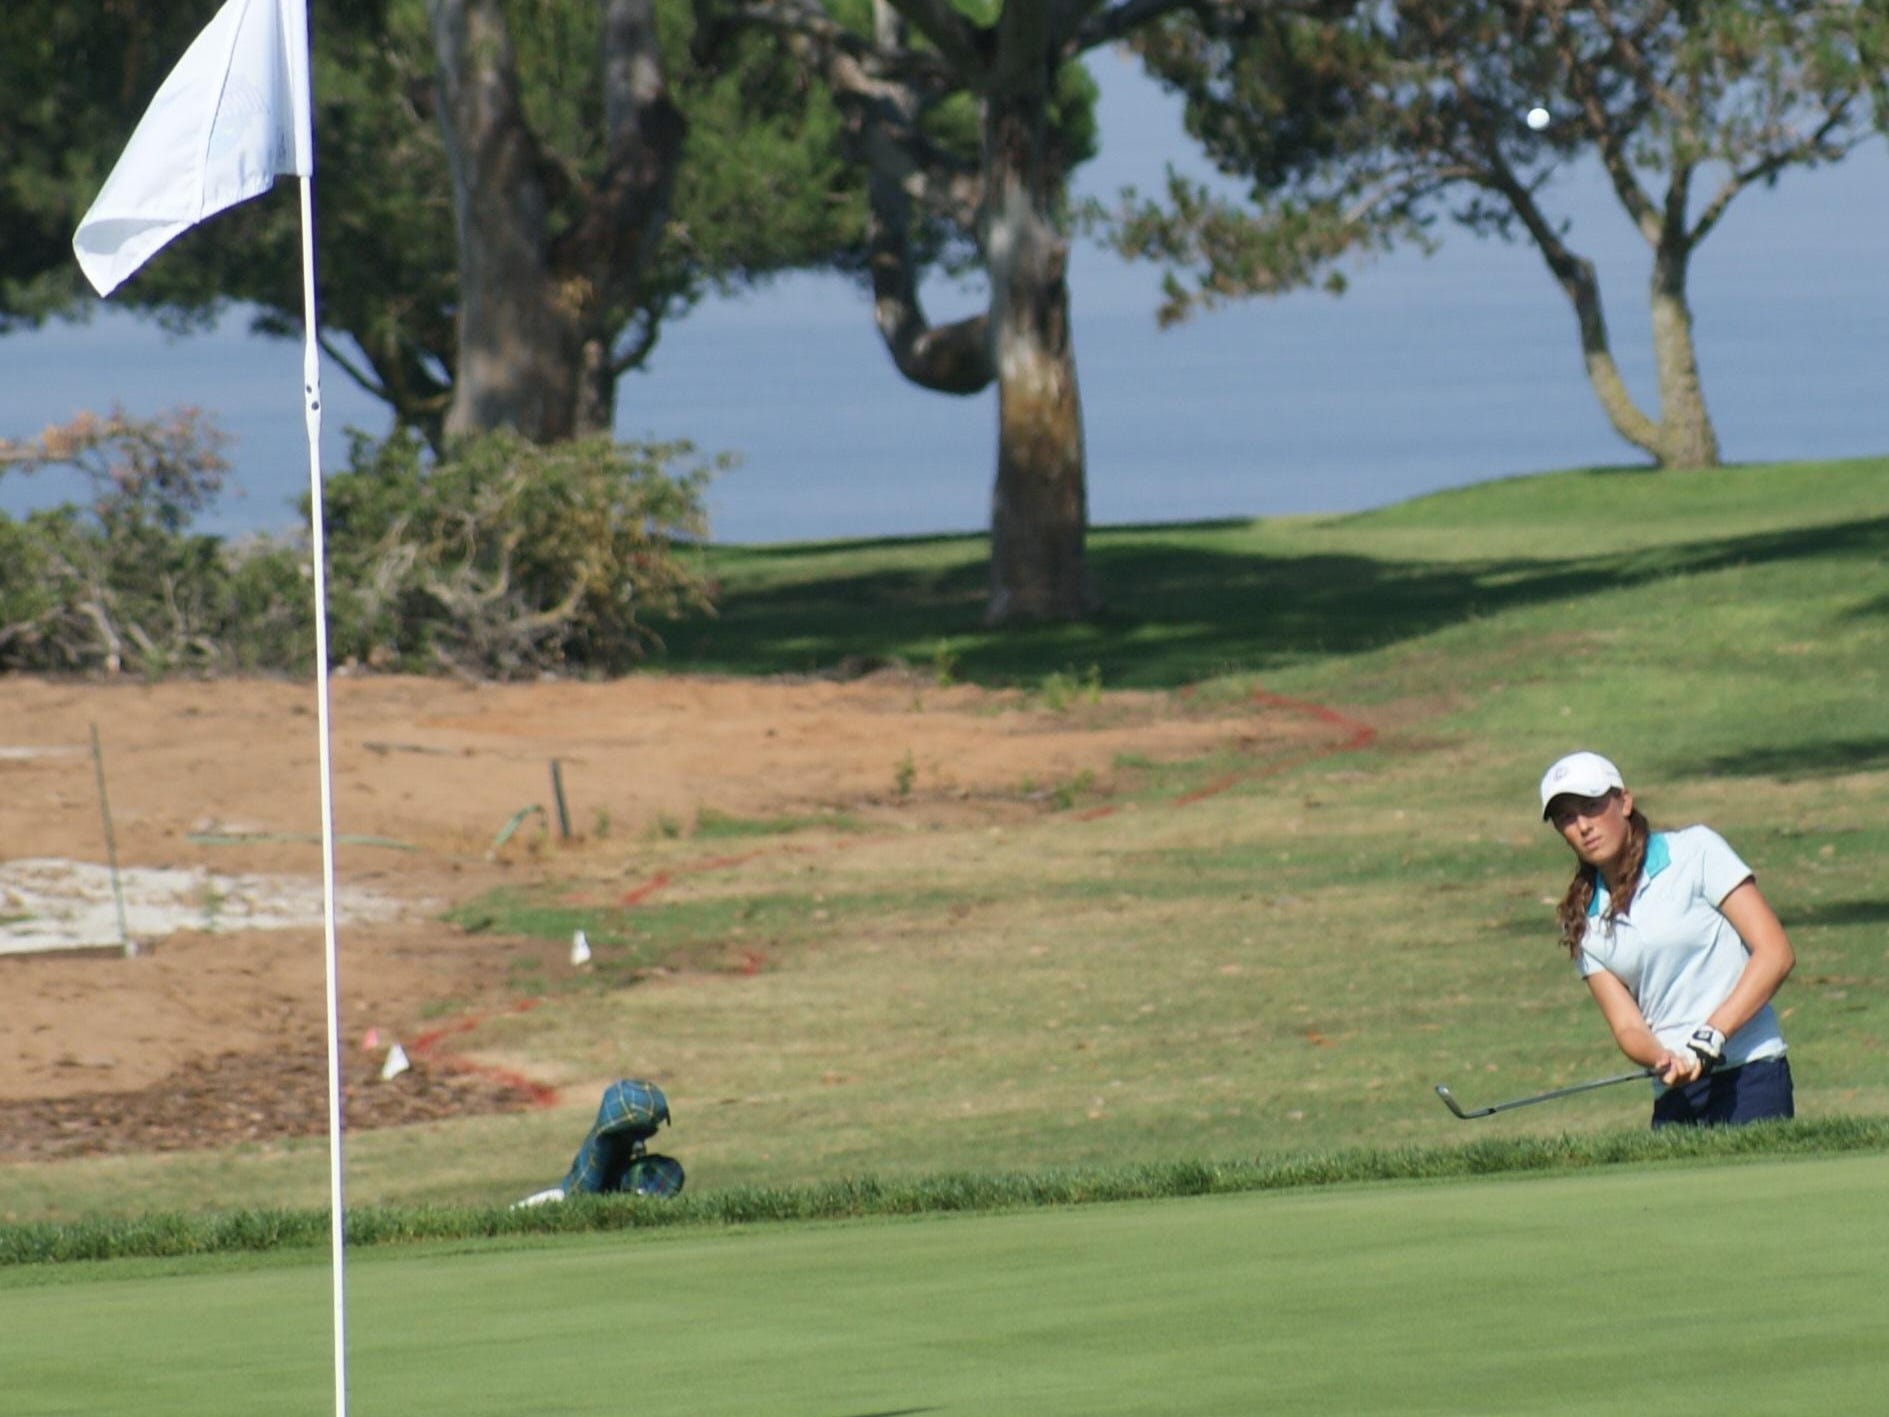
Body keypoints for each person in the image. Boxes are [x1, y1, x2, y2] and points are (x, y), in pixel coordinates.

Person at [1538, 750, 1796, 1127]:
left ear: (1624, 801)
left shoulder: (1695, 851)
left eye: (1592, 807)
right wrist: (1659, 1058)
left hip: (1751, 1073)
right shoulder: (1582, 919)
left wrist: (1712, 1037)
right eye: (1566, 817)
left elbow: (1775, 954)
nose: (1583, 826)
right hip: (1676, 1090)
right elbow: (1627, 1026)